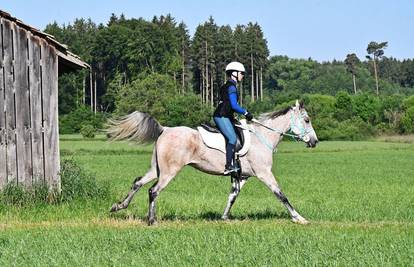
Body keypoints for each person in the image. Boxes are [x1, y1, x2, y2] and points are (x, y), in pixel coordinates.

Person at [213, 61, 253, 175]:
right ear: (234, 73)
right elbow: (234, 105)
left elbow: (228, 104)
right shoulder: (231, 87)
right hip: (221, 116)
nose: (243, 76)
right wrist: (246, 113)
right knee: (232, 139)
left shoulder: (227, 86)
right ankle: (228, 166)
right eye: (242, 73)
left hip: (226, 115)